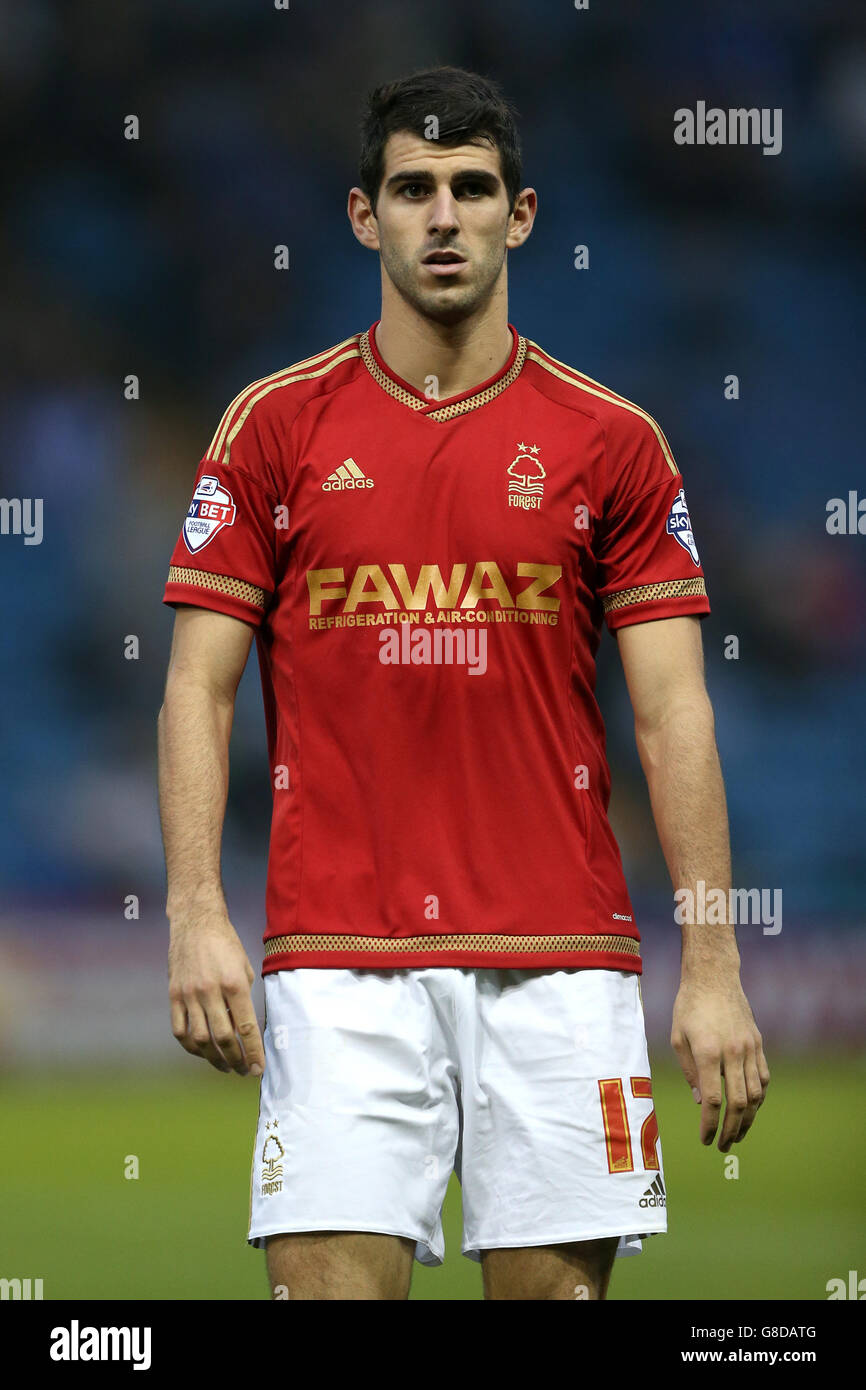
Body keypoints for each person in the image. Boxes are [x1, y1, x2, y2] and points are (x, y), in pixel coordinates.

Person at [157, 65, 769, 1301]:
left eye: (472, 188)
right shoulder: (271, 430)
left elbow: (672, 713)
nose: (443, 215)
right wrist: (190, 911)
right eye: (413, 187)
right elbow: (192, 688)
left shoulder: (614, 445)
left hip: (563, 964)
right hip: (335, 959)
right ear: (361, 214)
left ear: (521, 214)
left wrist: (712, 966)